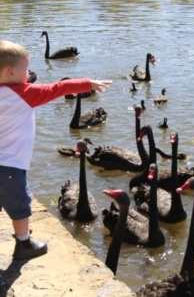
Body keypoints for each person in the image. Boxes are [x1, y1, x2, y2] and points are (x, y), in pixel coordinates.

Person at [0, 39, 112, 261]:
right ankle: (24, 244)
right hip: (11, 165)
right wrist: (89, 83)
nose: (29, 72)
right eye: (25, 68)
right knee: (20, 207)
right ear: (12, 72)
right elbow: (59, 87)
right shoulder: (25, 93)